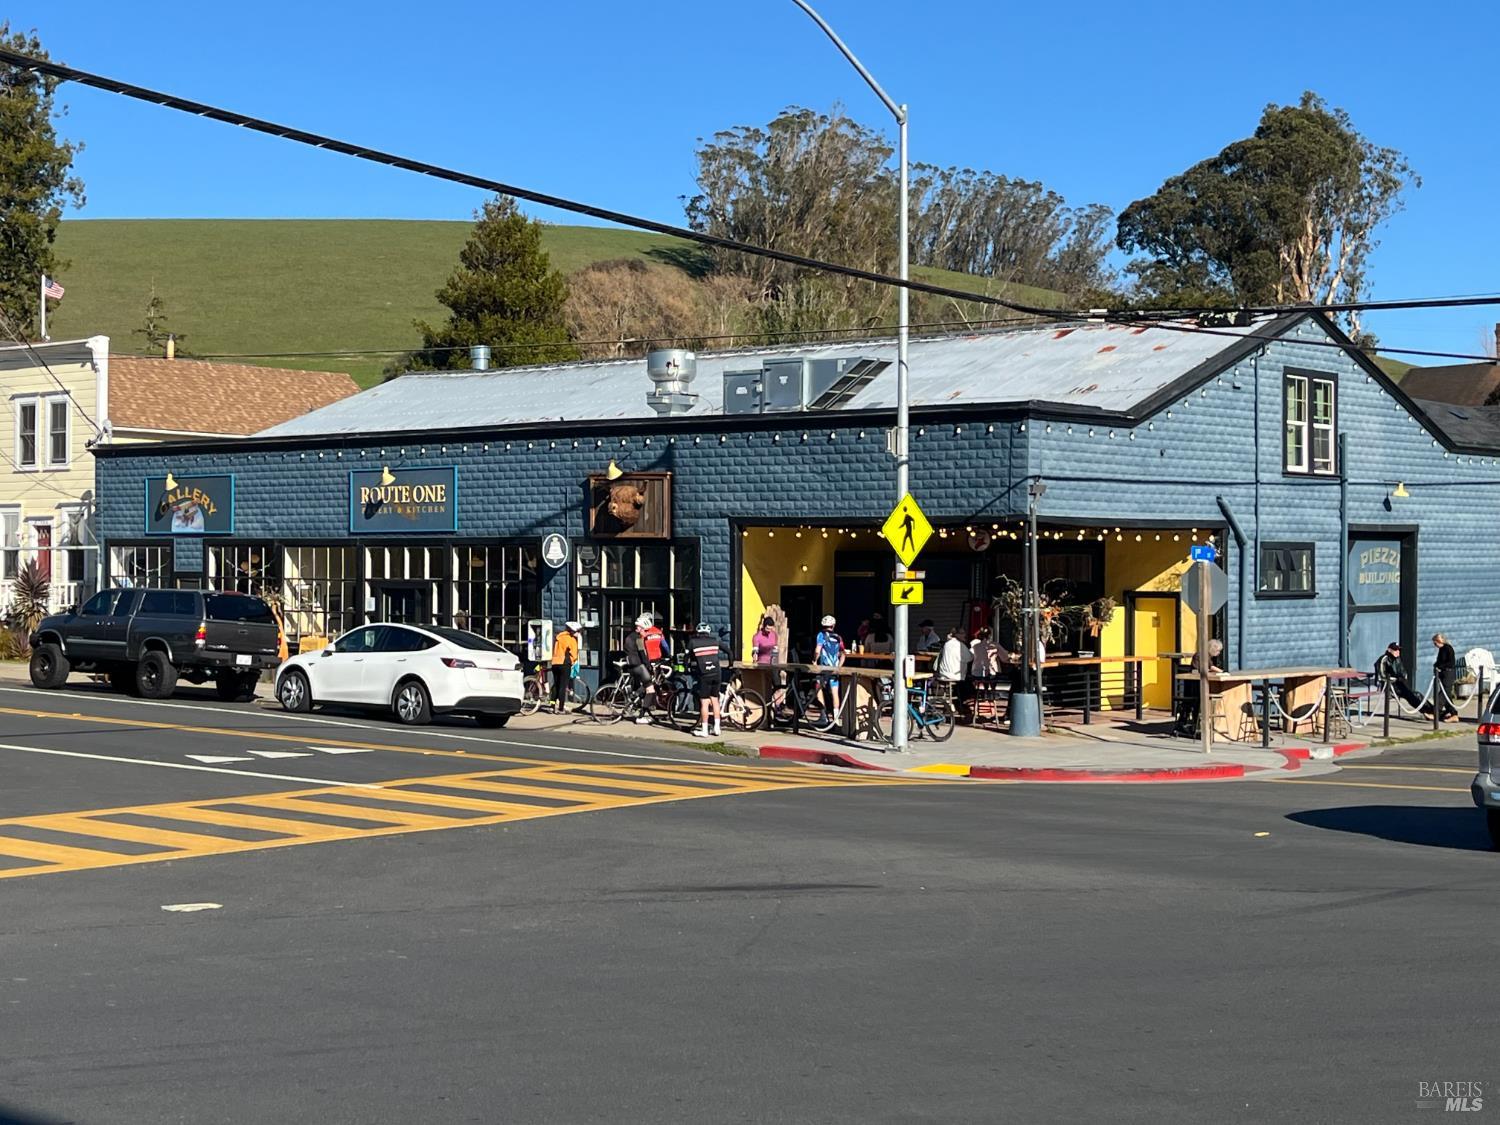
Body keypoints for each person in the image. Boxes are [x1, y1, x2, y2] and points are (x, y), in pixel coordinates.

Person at [688, 621, 724, 737]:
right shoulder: (715, 640)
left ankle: (704, 729)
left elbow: (686, 657)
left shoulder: (693, 642)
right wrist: (730, 664)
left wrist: (686, 667)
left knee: (704, 702)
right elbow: (729, 652)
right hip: (717, 673)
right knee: (715, 700)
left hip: (704, 674)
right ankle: (717, 728)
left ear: (698, 632)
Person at [625, 614, 655, 724]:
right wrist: (649, 666)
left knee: (644, 686)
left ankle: (635, 695)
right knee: (650, 689)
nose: (646, 633)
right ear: (641, 628)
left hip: (631, 666)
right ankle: (641, 717)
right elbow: (642, 655)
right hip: (639, 666)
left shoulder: (629, 637)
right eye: (646, 631)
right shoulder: (638, 639)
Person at [815, 614, 847, 719]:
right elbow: (843, 653)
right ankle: (836, 717)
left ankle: (823, 713)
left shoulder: (821, 635)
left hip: (824, 668)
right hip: (835, 668)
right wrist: (839, 666)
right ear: (833, 625)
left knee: (818, 688)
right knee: (834, 692)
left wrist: (814, 660)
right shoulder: (838, 637)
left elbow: (817, 650)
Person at [1375, 641, 1423, 709]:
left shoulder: (1397, 659)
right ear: (1389, 650)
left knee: (1416, 695)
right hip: (1388, 686)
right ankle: (1428, 711)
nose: (1397, 652)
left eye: (1398, 650)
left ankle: (1431, 710)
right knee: (1411, 695)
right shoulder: (1383, 659)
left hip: (1398, 684)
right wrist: (1396, 679)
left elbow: (1402, 671)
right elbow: (1382, 676)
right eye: (1395, 650)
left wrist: (1404, 677)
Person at [550, 620, 582, 712]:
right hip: (565, 664)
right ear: (572, 631)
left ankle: (552, 706)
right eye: (577, 631)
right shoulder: (571, 639)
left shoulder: (559, 637)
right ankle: (560, 708)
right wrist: (573, 662)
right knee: (562, 686)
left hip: (555, 663)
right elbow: (574, 654)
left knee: (556, 685)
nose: (578, 633)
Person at [1429, 633, 1459, 722]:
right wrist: (1436, 666)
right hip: (1442, 674)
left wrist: (1440, 667)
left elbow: (1450, 663)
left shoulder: (1448, 649)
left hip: (1448, 674)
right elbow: (1439, 661)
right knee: (1447, 695)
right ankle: (1453, 714)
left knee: (1442, 695)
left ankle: (1436, 713)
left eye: (1435, 643)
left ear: (1439, 641)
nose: (1435, 645)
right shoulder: (1441, 650)